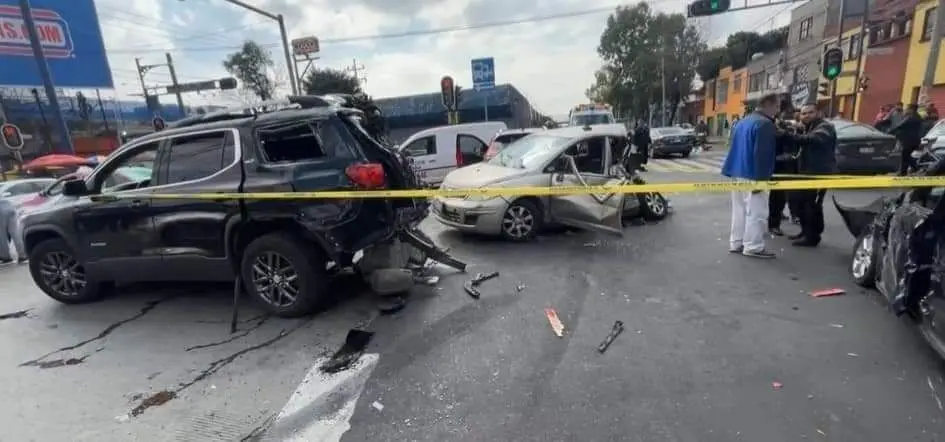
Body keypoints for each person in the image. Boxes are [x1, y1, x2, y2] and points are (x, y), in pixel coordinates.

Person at [721, 93, 780, 259]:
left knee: (739, 209)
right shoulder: (765, 124)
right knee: (757, 211)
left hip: (737, 171)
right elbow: (762, 155)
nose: (777, 110)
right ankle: (753, 246)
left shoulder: (742, 122)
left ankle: (736, 242)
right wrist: (760, 182)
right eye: (777, 106)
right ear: (768, 104)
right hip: (753, 173)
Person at [785, 103, 837, 247]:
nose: (806, 116)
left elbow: (813, 139)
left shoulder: (824, 127)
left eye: (810, 112)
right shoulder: (808, 127)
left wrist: (788, 135)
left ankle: (812, 236)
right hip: (806, 172)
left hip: (819, 173)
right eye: (803, 113)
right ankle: (805, 231)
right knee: (799, 202)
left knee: (812, 205)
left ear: (818, 113)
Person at [769, 113, 799, 236]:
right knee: (777, 197)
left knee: (785, 197)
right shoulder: (776, 134)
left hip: (789, 169)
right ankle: (773, 224)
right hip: (778, 169)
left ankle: (784, 217)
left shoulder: (789, 133)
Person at [888, 104, 925, 175]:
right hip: (915, 140)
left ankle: (917, 167)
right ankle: (903, 172)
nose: (906, 110)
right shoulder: (918, 117)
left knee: (905, 155)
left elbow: (900, 126)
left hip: (909, 140)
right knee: (905, 155)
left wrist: (889, 132)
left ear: (911, 109)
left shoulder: (910, 118)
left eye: (907, 109)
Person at [0, 197, 26, 264]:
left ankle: (6, 257)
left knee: (2, 236)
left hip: (1, 211)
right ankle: (23, 255)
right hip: (10, 207)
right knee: (15, 233)